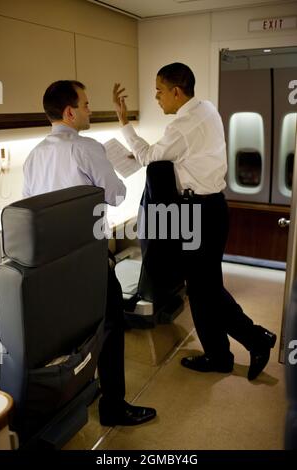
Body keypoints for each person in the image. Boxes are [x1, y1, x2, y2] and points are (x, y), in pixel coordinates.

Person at [113, 62, 277, 381]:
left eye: (159, 92)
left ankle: (255, 339)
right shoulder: (206, 109)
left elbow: (150, 157)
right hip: (212, 207)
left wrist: (124, 123)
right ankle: (220, 355)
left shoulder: (182, 126)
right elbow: (178, 157)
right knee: (203, 289)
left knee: (206, 290)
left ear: (176, 92)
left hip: (198, 213)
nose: (157, 98)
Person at [23, 80, 156, 426]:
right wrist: (118, 172)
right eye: (85, 104)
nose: (89, 110)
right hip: (87, 258)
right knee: (111, 326)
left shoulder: (35, 154)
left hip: (52, 263)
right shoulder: (88, 147)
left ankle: (78, 389)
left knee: (72, 336)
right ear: (69, 112)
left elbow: (29, 204)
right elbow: (114, 195)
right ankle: (114, 406)